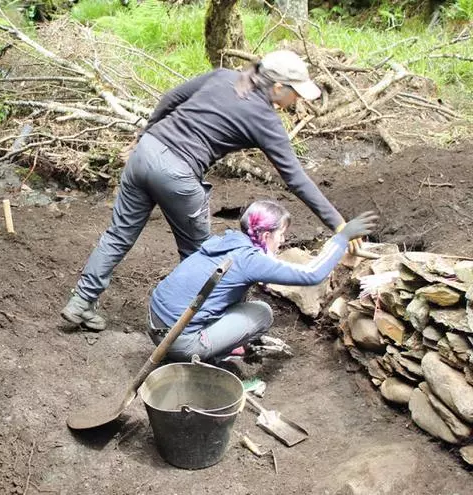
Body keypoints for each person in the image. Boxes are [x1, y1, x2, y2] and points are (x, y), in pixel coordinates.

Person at [61, 50, 362, 331]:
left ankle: (81, 302)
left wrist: (143, 137)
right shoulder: (265, 119)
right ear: (279, 86)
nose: (297, 99)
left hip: (146, 152)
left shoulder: (223, 76)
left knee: (118, 234)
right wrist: (338, 224)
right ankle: (201, 328)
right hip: (178, 175)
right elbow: (295, 178)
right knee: (204, 256)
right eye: (295, 92)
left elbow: (170, 98)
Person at [148, 200, 377, 363]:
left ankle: (220, 342)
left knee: (237, 297)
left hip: (155, 321)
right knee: (262, 312)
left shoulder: (227, 241)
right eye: (281, 234)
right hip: (177, 342)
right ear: (266, 235)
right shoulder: (250, 260)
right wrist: (342, 238)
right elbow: (311, 274)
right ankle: (212, 353)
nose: (283, 240)